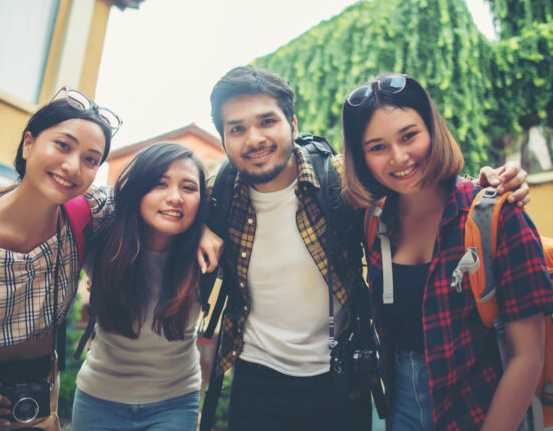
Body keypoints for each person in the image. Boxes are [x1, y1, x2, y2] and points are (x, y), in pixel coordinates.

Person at [200, 65, 531, 431]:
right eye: (237, 129)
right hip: (256, 381)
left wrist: (493, 184)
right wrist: (195, 229)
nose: (254, 138)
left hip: (341, 378)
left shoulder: (341, 181)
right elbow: (161, 213)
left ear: (292, 124)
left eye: (267, 121)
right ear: (223, 140)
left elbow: (420, 183)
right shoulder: (215, 196)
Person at [340, 73, 553, 430]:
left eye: (409, 136)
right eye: (377, 147)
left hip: (484, 407)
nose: (398, 157)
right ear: (361, 157)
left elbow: (527, 356)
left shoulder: (498, 215)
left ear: (433, 130)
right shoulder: (374, 222)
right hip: (399, 406)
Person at [0, 87, 119, 430]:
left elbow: (150, 202)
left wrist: (204, 229)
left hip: (37, 406)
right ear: (28, 143)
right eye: (63, 145)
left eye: (91, 159)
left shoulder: (85, 215)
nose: (73, 166)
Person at [70, 142, 207, 431]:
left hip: (175, 402)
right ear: (138, 189)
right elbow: (44, 202)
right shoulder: (102, 238)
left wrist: (207, 230)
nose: (175, 198)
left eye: (189, 188)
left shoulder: (207, 256)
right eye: (160, 184)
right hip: (98, 399)